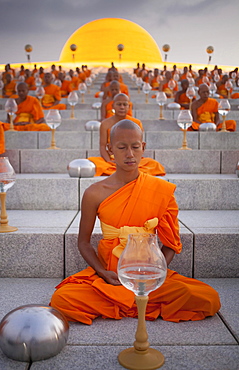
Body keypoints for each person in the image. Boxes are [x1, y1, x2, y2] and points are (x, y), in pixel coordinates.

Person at [50, 119, 221, 325]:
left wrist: (155, 274)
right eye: (121, 147)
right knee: (62, 299)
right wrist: (102, 272)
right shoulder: (94, 193)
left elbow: (171, 244)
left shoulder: (160, 190)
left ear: (143, 148)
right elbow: (83, 242)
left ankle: (131, 300)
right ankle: (135, 302)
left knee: (208, 297)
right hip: (111, 276)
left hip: (148, 271)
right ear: (110, 148)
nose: (129, 154)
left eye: (135, 147)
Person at [88, 93, 165, 176]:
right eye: (119, 104)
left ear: (129, 107)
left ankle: (127, 168)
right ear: (113, 106)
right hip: (113, 159)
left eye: (125, 105)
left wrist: (133, 160)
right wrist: (109, 161)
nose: (122, 107)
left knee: (153, 164)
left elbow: (138, 146)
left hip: (132, 159)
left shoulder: (136, 123)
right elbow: (103, 146)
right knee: (93, 162)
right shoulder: (105, 124)